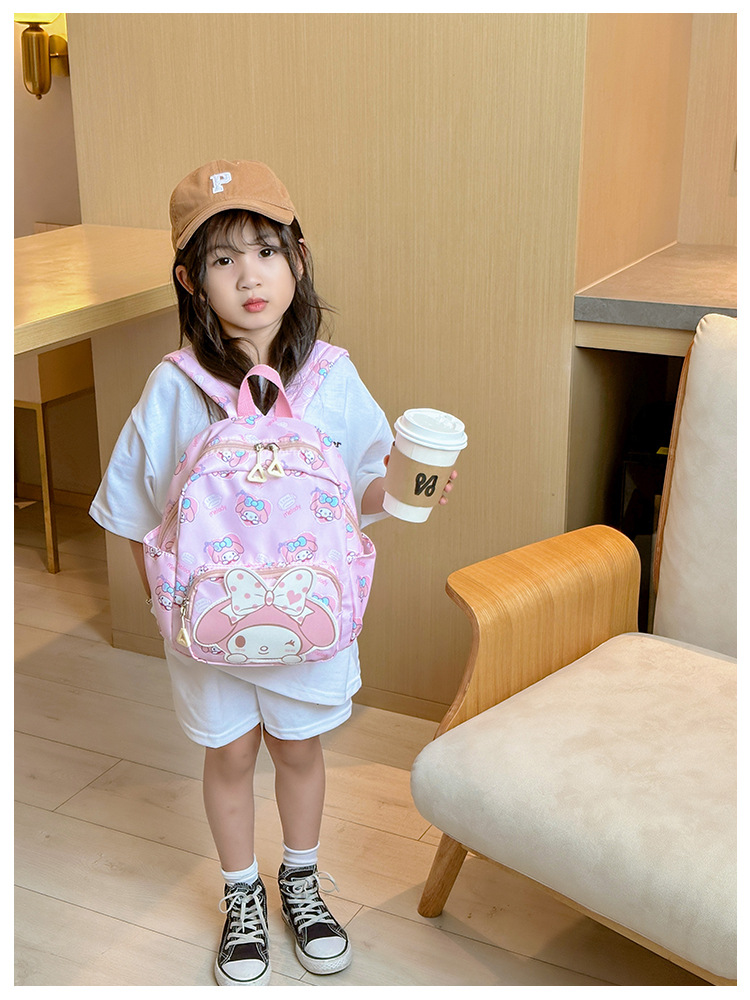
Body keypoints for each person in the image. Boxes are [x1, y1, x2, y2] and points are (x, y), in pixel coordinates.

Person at [90, 159, 456, 987]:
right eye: (223, 259)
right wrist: (165, 610)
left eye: (265, 250)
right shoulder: (175, 387)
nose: (249, 275)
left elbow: (366, 489)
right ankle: (241, 893)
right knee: (229, 756)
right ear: (190, 280)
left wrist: (412, 486)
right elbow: (135, 511)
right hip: (206, 625)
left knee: (299, 749)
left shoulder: (333, 377)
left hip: (308, 614)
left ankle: (300, 880)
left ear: (298, 258)